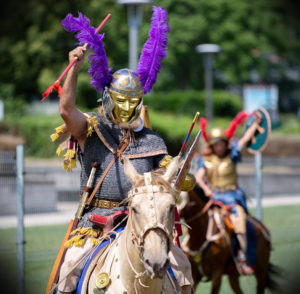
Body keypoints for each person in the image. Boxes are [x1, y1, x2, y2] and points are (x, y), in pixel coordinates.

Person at [50, 7, 194, 294]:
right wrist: (74, 68)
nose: (128, 107)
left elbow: (168, 179)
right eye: (121, 100)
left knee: (184, 270)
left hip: (139, 221)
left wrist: (179, 178)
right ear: (108, 98)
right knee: (67, 274)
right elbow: (66, 111)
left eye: (133, 101)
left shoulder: (152, 141)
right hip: (95, 224)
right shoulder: (91, 129)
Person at [195, 111, 262, 275]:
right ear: (212, 145)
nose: (220, 147)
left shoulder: (232, 154)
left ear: (226, 143)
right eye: (216, 144)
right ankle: (193, 254)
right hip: (213, 197)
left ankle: (242, 257)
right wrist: (206, 190)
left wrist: (255, 124)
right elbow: (198, 178)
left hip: (232, 197)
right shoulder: (205, 160)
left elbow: (245, 140)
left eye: (222, 143)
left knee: (239, 219)